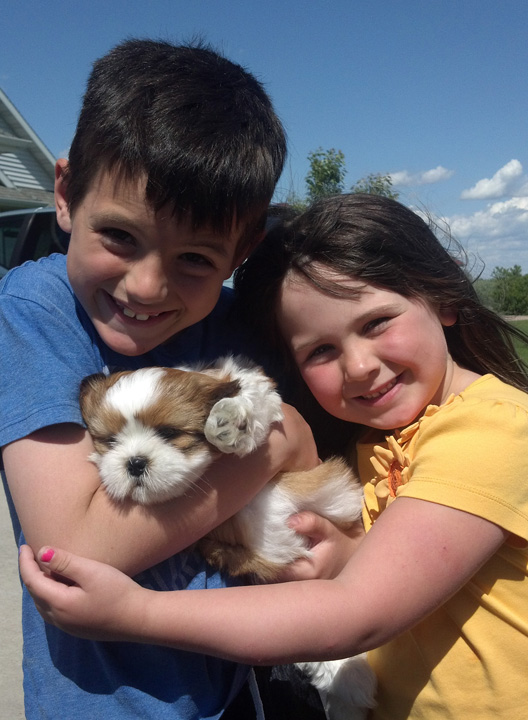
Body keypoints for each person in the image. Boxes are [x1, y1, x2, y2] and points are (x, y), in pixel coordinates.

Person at [20, 194, 528, 720]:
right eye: (320, 351)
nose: (358, 366)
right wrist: (347, 553)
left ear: (444, 300)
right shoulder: (378, 437)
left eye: (377, 323)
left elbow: (359, 611)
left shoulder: (492, 429)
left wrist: (135, 611)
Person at [0, 37, 324, 720]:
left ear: (244, 250)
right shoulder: (37, 312)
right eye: (120, 236)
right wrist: (280, 440)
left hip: (248, 691)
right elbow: (78, 547)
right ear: (64, 194)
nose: (147, 286)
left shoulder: (238, 327)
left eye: (197, 259)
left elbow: (316, 518)